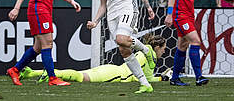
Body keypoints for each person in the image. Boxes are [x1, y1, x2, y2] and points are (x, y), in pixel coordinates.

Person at [87, 0, 155, 93]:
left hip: (128, 8)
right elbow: (103, 4)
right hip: (112, 14)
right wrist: (95, 21)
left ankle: (145, 50)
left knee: (121, 39)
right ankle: (145, 83)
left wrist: (148, 7)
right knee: (124, 49)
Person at [164, 0, 234, 86]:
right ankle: (199, 77)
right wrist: (169, 14)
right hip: (180, 14)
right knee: (195, 41)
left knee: (182, 45)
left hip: (189, 14)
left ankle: (175, 78)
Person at [19, 34, 170, 84]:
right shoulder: (148, 55)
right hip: (116, 75)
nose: (164, 51)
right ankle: (52, 75)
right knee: (80, 77)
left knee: (79, 74)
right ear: (157, 47)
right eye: (163, 49)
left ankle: (31, 73)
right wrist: (162, 79)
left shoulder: (145, 52)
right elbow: (141, 78)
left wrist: (160, 77)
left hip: (111, 69)